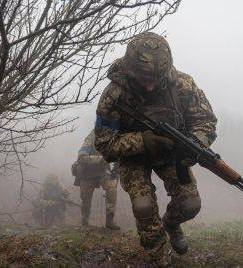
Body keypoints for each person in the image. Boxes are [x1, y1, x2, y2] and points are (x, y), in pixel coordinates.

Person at [94, 32, 217, 266]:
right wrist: (142, 141)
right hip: (134, 158)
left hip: (172, 154)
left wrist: (197, 143)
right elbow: (104, 143)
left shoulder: (182, 85)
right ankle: (158, 255)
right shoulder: (114, 95)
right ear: (131, 70)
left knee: (190, 205)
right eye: (144, 79)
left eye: (157, 79)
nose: (150, 86)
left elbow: (205, 120)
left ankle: (171, 224)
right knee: (144, 206)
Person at [72, 129, 120, 230]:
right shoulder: (90, 138)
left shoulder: (113, 137)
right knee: (86, 199)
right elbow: (81, 157)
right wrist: (100, 159)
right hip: (87, 172)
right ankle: (85, 220)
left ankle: (110, 220)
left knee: (112, 189)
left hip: (103, 171)